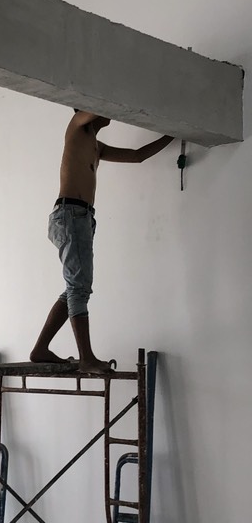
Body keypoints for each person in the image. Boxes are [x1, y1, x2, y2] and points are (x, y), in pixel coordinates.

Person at [30, 111, 173, 373]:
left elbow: (137, 156)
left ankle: (41, 349)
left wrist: (170, 136)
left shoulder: (97, 146)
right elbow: (93, 107)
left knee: (75, 288)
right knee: (78, 288)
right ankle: (86, 358)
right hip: (71, 214)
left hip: (81, 218)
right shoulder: (76, 128)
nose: (110, 114)